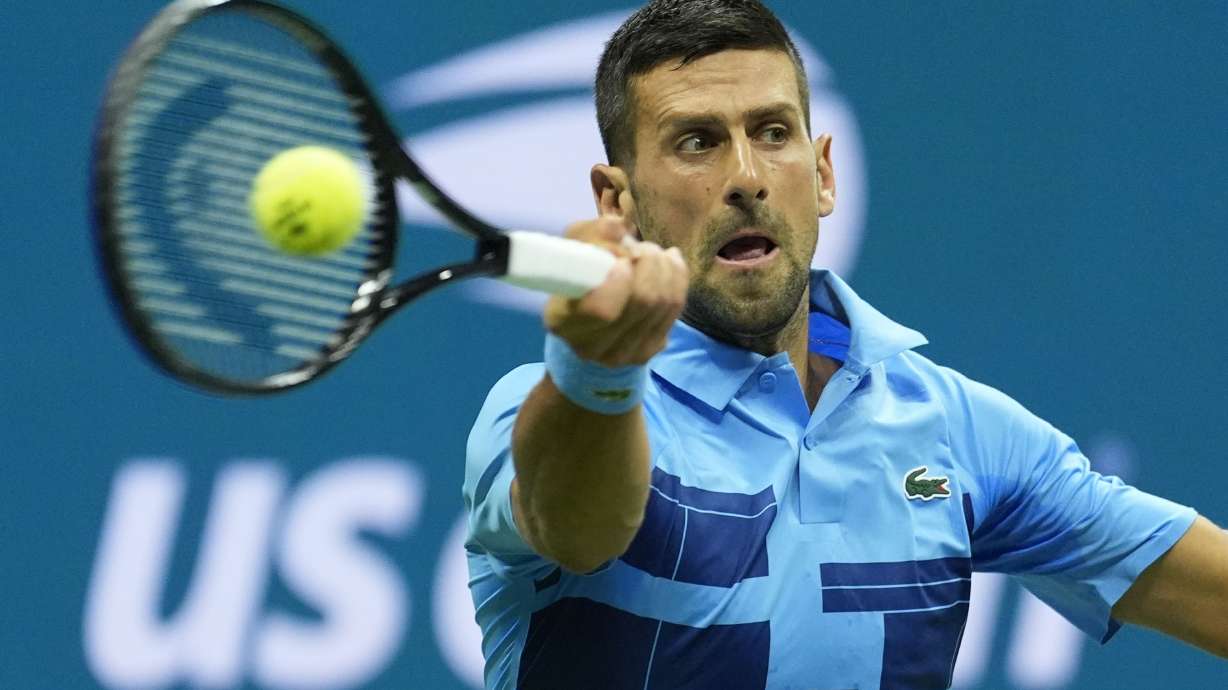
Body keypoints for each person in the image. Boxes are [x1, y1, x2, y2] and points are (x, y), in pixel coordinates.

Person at [463, 1, 1228, 688]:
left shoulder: (957, 430)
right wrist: (598, 369)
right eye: (697, 142)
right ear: (616, 201)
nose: (747, 176)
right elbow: (576, 529)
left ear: (823, 172)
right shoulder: (551, 411)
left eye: (773, 133)